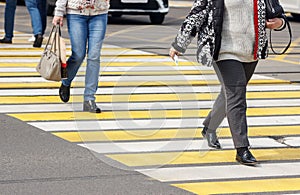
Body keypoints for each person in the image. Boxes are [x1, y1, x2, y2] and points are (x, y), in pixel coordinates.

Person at [169, 0, 286, 165]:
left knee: (230, 94)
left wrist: (278, 23)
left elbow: (277, 14)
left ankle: (209, 127)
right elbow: (197, 14)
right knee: (237, 95)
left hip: (250, 52)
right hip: (223, 50)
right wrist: (180, 43)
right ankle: (242, 148)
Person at [52, 0, 109, 113]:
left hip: (100, 12)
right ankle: (66, 82)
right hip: (76, 13)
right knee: (78, 55)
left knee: (94, 56)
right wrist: (59, 12)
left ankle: (89, 98)